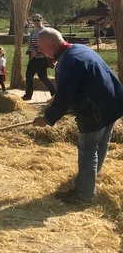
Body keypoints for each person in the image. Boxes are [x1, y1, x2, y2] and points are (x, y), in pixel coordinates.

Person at [32, 27, 123, 205]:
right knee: (101, 144)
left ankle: (84, 195)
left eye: (42, 48)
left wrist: (47, 119)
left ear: (52, 44)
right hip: (114, 103)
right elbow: (77, 83)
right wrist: (57, 98)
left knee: (88, 150)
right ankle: (90, 178)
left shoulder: (67, 63)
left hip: (96, 111)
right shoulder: (79, 49)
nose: (41, 52)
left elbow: (66, 97)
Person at [23, 14, 56, 101]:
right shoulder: (34, 31)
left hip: (41, 58)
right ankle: (28, 95)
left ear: (41, 20)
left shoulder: (44, 31)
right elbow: (31, 41)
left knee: (43, 77)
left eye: (38, 20)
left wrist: (36, 51)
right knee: (28, 76)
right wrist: (29, 45)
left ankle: (54, 93)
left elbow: (45, 45)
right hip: (33, 58)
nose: (36, 22)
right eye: (34, 20)